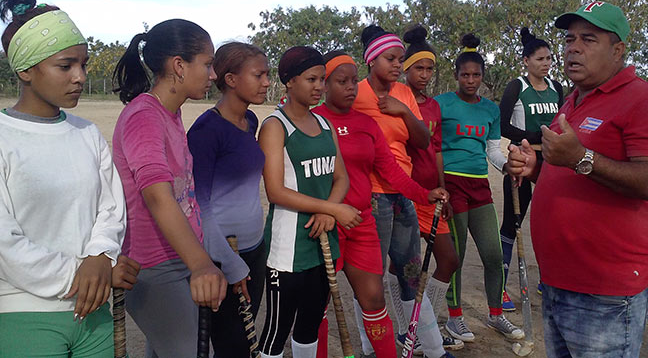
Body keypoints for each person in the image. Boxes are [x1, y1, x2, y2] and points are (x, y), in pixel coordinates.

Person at [507, 1, 648, 357]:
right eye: (570, 39)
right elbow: (567, 171)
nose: (573, 47)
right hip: (557, 283)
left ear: (618, 50)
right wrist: (534, 167)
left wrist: (580, 157)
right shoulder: (572, 101)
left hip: (606, 291)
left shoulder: (646, 101)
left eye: (588, 39)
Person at [0, 0, 129, 356]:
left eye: (83, 65)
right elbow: (4, 243)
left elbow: (111, 209)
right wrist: (81, 272)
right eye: (65, 65)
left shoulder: (86, 133)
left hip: (94, 315)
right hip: (24, 313)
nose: (80, 77)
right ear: (25, 68)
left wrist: (101, 256)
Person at [313, 50, 452, 358]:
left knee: (374, 299)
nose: (350, 87)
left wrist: (423, 193)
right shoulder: (314, 122)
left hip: (362, 223)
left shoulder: (366, 123)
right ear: (324, 84)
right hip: (325, 226)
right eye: (341, 81)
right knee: (318, 306)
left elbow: (390, 170)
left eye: (352, 81)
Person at [112, 19, 231, 357]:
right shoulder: (144, 117)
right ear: (179, 65)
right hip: (154, 265)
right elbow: (157, 196)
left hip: (179, 256)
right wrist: (202, 265)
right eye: (207, 64)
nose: (212, 75)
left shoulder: (171, 113)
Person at [353, 25, 455, 358]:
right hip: (372, 196)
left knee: (411, 273)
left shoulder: (404, 94)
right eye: (390, 58)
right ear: (371, 61)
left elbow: (423, 142)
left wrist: (405, 112)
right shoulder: (355, 94)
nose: (398, 65)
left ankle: (434, 350)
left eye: (400, 59)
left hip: (404, 195)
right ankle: (370, 348)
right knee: (370, 279)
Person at [257, 46, 362, 358]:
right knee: (277, 330)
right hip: (287, 248)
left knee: (310, 324)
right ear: (290, 82)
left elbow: (340, 177)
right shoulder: (275, 127)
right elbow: (275, 191)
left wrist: (328, 213)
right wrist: (331, 209)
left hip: (321, 241)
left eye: (322, 79)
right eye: (311, 79)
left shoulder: (325, 125)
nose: (319, 86)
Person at [435, 34, 524, 342]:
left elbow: (493, 150)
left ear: (483, 77)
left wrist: (507, 165)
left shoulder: (490, 110)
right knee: (455, 257)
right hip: (451, 184)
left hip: (479, 187)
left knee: (493, 253)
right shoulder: (441, 103)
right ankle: (455, 318)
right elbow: (429, 146)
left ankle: (496, 314)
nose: (470, 80)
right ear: (456, 76)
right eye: (465, 75)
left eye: (476, 75)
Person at [187, 42, 270, 356]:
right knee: (230, 345)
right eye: (258, 75)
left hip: (253, 250)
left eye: (268, 74)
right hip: (221, 257)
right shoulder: (206, 132)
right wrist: (229, 264)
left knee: (245, 343)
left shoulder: (251, 123)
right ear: (231, 79)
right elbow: (199, 206)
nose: (266, 82)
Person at [498, 27, 564, 309]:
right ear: (526, 61)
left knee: (551, 223)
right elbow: (503, 125)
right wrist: (537, 137)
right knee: (513, 224)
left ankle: (548, 280)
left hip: (552, 163)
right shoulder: (517, 87)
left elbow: (563, 121)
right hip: (522, 161)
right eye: (540, 59)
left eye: (549, 58)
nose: (546, 63)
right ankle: (499, 287)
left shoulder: (557, 88)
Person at [402, 26, 460, 323]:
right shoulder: (394, 104)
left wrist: (443, 189)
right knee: (406, 267)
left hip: (432, 195)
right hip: (406, 195)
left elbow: (436, 151)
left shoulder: (434, 106)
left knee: (449, 260)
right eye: (418, 68)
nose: (424, 74)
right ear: (405, 68)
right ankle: (406, 325)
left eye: (429, 68)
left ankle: (429, 321)